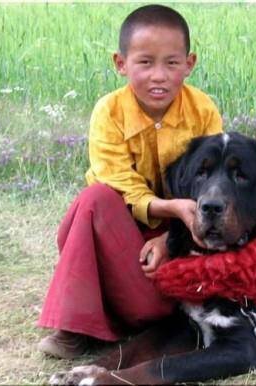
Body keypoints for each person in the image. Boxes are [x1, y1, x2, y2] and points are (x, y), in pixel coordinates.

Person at [37, 4, 223, 359]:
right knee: (94, 199)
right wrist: (167, 207)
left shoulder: (202, 110)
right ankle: (74, 328)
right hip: (118, 235)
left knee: (150, 311)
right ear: (120, 63)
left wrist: (171, 239)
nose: (159, 76)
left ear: (190, 63)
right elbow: (117, 181)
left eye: (171, 62)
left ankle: (121, 317)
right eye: (145, 62)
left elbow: (210, 186)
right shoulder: (109, 111)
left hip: (183, 237)